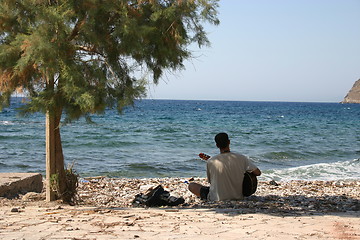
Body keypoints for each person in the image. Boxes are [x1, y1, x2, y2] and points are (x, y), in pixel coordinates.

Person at [188, 132, 261, 201]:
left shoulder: (211, 161)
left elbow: (211, 182)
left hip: (216, 197)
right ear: (229, 142)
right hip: (238, 196)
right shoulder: (242, 158)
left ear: (217, 145)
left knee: (191, 185)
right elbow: (258, 173)